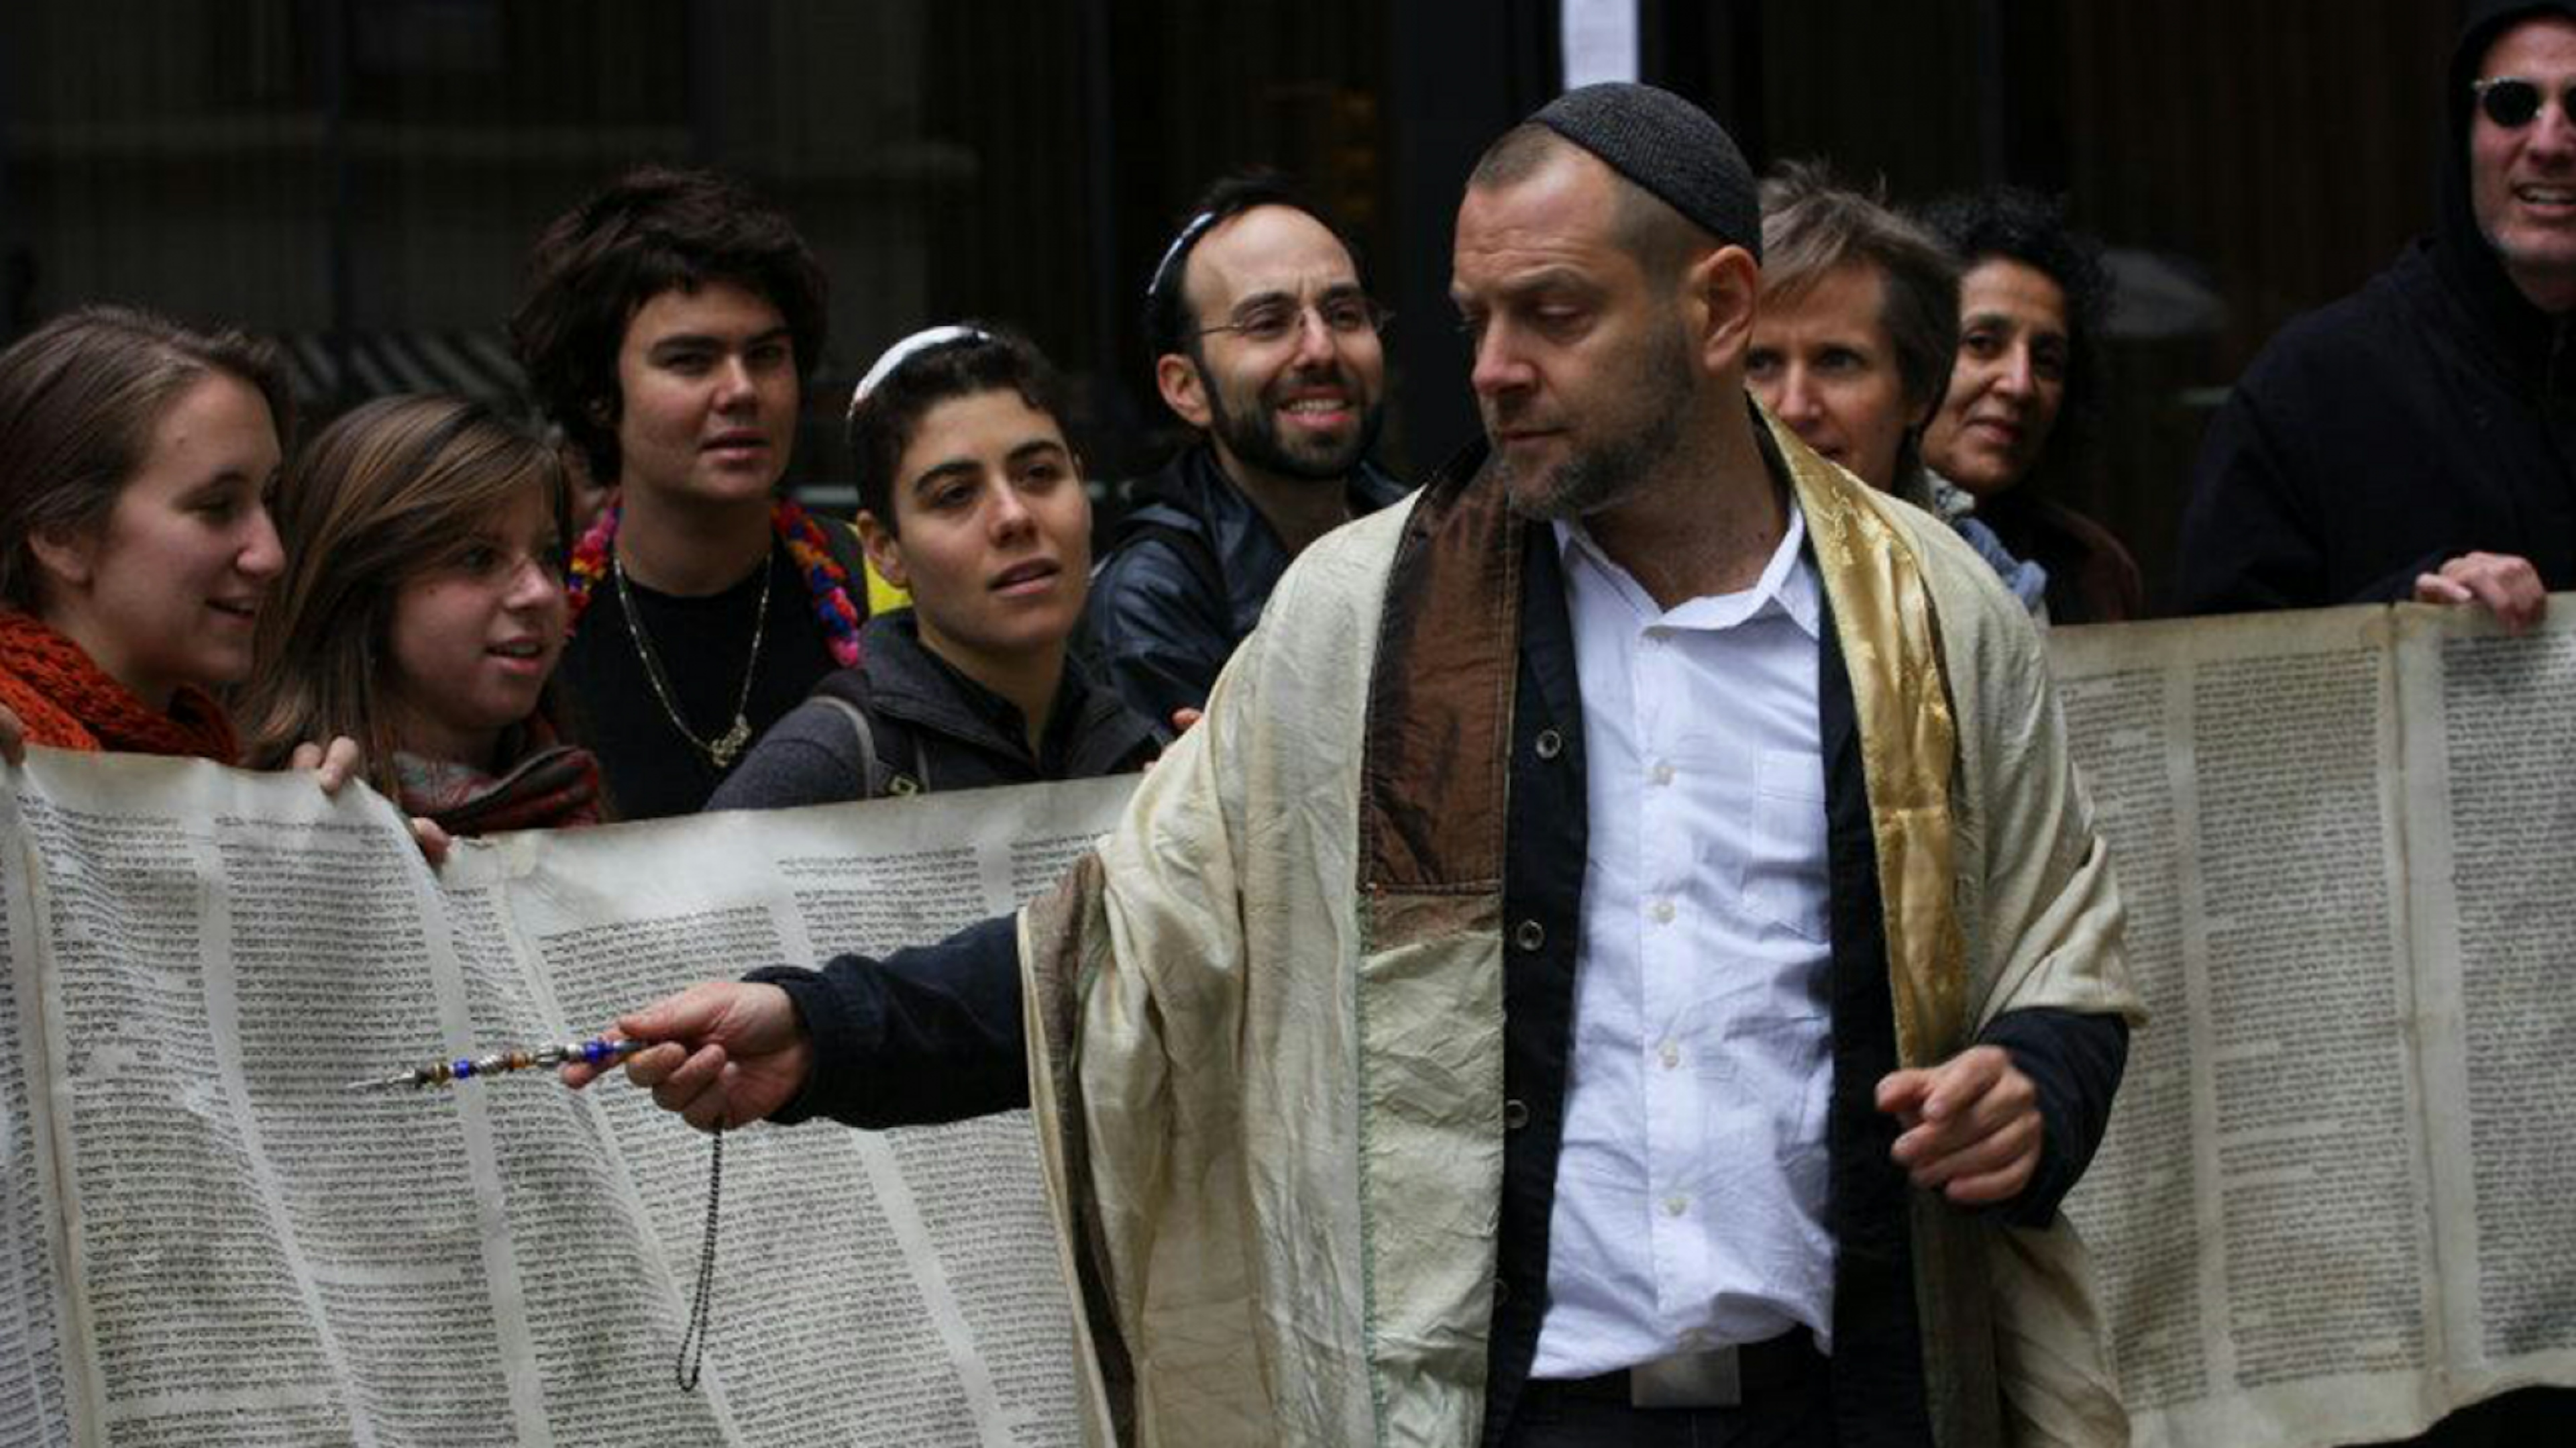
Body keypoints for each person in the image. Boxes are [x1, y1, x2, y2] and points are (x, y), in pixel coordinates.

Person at [580, 85, 2139, 1447]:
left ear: (1718, 308)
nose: (1494, 370)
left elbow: (2060, 958)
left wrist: (2033, 1086)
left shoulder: (1931, 614)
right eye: (1474, 319)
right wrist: (823, 1029)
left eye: (1553, 313)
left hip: (1850, 1402)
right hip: (1507, 1415)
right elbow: (1128, 945)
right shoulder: (1361, 618)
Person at [511, 165, 902, 819]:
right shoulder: (531, 620)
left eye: (766, 355)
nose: (741, 390)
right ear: (599, 394)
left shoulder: (887, 585)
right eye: (690, 361)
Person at [2176, 0, 2567, 634]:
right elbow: (2212, 660)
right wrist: (2403, 619)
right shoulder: (2314, 384)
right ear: (2464, 132)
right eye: (2512, 103)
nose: (2549, 143)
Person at [711, 327, 1153, 809]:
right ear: (885, 549)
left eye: (1040, 474)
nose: (1014, 516)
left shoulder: (1140, 747)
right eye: (956, 494)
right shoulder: (827, 763)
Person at [1083, 172, 1409, 729]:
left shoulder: (1432, 532)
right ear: (1186, 388)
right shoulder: (1156, 595)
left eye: (1344, 315)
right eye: (1268, 324)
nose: (1321, 349)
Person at [0, 305, 349, 785]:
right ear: (61, 534)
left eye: (269, 499)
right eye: (217, 506)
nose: (271, 556)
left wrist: (335, 827)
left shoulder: (221, 761)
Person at [235, 395, 602, 839]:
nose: (539, 591)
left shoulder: (577, 792)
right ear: (365, 588)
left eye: (547, 555)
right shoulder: (256, 811)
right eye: (478, 558)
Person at [1747, 160, 2049, 614]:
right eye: (1760, 363)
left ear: (1918, 392)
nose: (1794, 407)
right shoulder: (1646, 567)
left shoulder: (1992, 600)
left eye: (1836, 362)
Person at [1918, 187, 2145, 625]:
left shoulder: (2093, 567)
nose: (2020, 385)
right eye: (1982, 344)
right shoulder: (1840, 546)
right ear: (1911, 355)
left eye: (2047, 361)